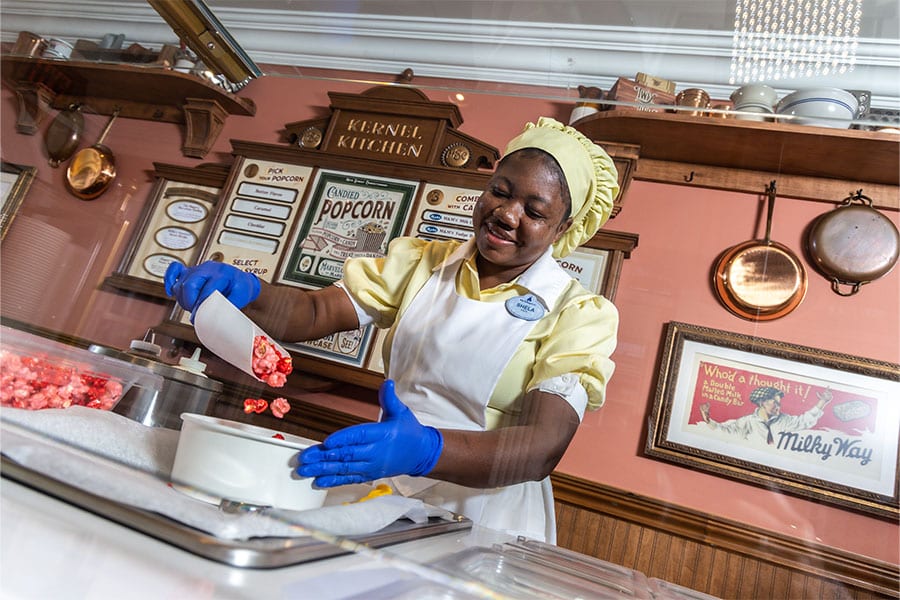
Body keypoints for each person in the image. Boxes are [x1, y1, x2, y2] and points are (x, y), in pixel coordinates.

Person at [164, 116, 620, 543]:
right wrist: (244, 292)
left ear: (564, 227)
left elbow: (541, 448)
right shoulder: (423, 263)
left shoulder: (577, 314)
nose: (506, 214)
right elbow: (313, 313)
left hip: (488, 512)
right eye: (499, 191)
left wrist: (426, 451)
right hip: (391, 487)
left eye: (534, 211)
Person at [699, 386, 833, 445]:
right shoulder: (748, 422)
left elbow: (804, 421)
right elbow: (724, 430)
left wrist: (823, 402)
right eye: (774, 403)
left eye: (779, 403)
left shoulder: (785, 420)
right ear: (762, 402)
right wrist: (707, 419)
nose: (778, 407)